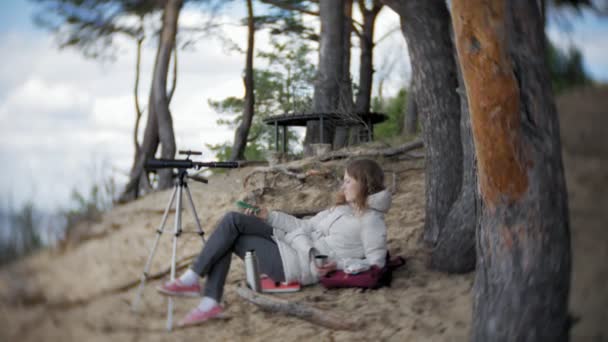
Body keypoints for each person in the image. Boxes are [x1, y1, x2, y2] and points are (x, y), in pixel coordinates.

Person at [157, 159, 391, 327]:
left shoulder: (371, 221)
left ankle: (197, 286)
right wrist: (268, 216)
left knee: (230, 228)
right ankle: (206, 298)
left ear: (365, 184)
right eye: (344, 181)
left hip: (296, 264)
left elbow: (376, 264)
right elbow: (305, 226)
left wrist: (335, 263)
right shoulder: (343, 209)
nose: (343, 186)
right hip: (290, 243)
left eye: (349, 181)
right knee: (233, 224)